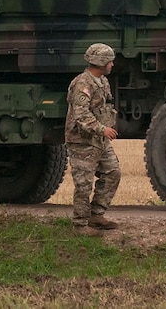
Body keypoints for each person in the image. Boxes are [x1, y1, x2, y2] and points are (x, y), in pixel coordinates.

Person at [64, 43, 122, 234]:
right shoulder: (83, 84)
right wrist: (102, 129)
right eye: (109, 61)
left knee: (113, 172)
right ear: (101, 62)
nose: (112, 64)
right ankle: (80, 224)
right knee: (83, 183)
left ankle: (96, 214)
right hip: (82, 141)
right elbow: (81, 115)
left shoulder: (102, 82)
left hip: (98, 140)